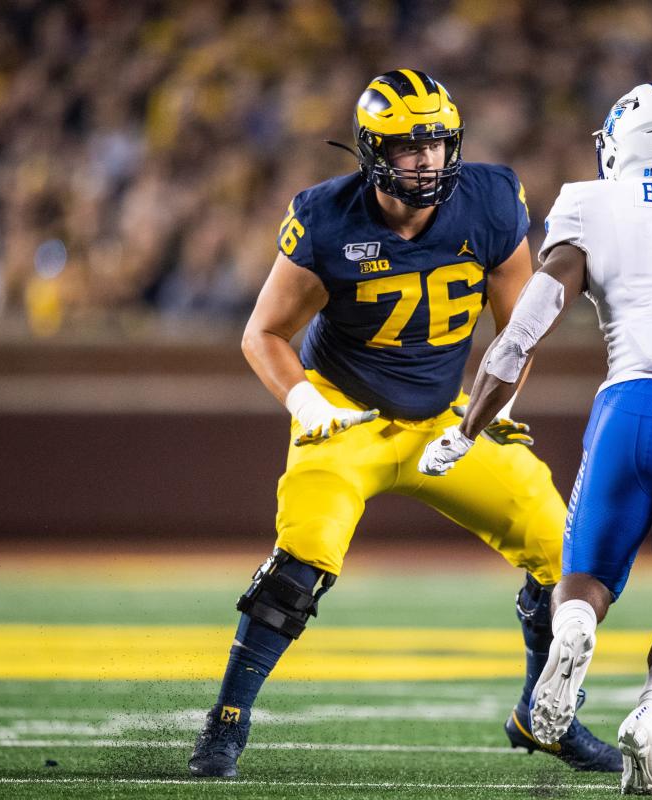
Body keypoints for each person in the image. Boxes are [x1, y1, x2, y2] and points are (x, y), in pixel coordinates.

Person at [187, 69, 620, 778]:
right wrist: (307, 404)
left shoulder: (489, 200)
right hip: (347, 415)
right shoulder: (327, 217)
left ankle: (544, 718)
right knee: (302, 560)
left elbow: (520, 324)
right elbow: (262, 334)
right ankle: (226, 723)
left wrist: (499, 407)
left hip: (447, 420)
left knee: (562, 551)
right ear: (372, 151)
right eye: (410, 147)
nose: (429, 160)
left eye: (438, 145)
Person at [420, 82, 652, 795]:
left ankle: (576, 633)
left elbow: (522, 333)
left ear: (622, 143)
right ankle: (649, 719)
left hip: (636, 405)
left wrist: (468, 430)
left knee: (582, 580)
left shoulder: (595, 202)